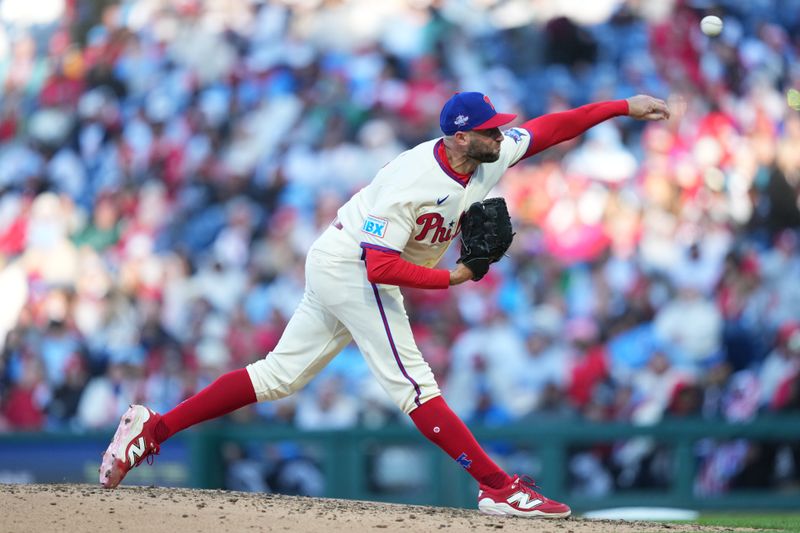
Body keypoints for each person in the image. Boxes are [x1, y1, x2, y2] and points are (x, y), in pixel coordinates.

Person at [100, 91, 669, 518]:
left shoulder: (487, 156)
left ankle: (154, 426)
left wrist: (621, 107)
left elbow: (548, 130)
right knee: (416, 385)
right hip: (352, 263)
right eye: (490, 131)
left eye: (499, 130)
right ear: (457, 137)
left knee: (277, 375)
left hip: (340, 259)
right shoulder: (413, 178)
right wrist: (455, 278)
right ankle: (499, 489)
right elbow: (379, 267)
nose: (502, 136)